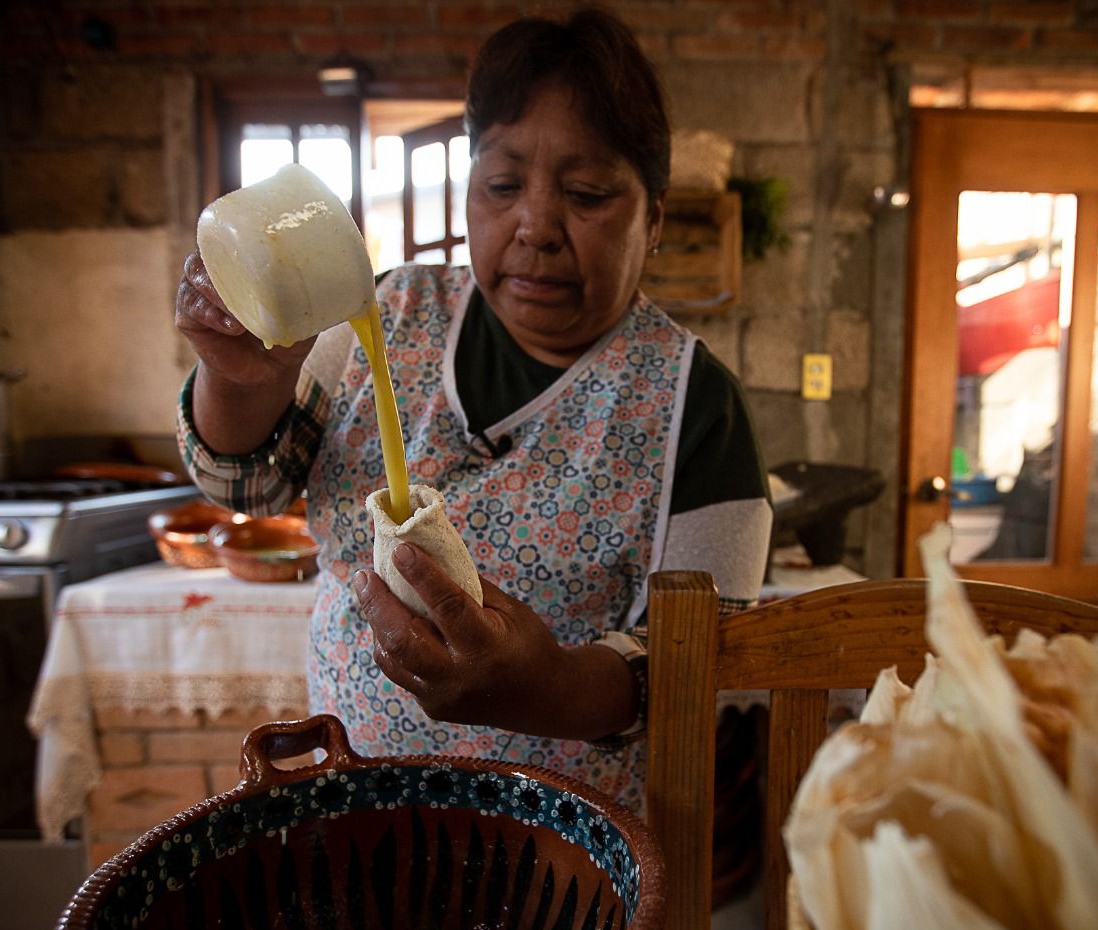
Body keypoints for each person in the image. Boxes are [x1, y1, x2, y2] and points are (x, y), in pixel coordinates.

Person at [173, 8, 770, 811]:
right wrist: (242, 379)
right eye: (500, 186)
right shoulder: (385, 314)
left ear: (654, 218)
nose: (535, 227)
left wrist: (549, 689)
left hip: (564, 854)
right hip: (357, 806)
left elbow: (709, 666)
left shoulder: (694, 403)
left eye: (588, 194)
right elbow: (249, 487)